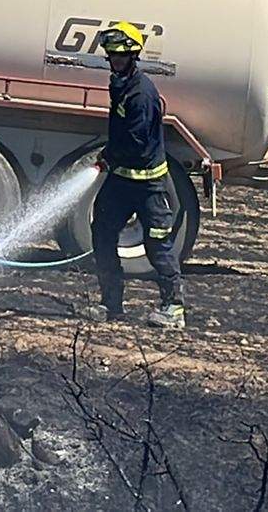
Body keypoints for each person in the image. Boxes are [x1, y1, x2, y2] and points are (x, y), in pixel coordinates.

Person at [83, 21, 186, 330]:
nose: (114, 61)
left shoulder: (141, 93)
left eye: (120, 56)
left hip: (148, 185)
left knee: (157, 245)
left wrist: (109, 156)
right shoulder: (121, 84)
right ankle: (111, 304)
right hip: (122, 182)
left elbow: (138, 143)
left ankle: (174, 308)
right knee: (102, 234)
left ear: (133, 56)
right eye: (111, 56)